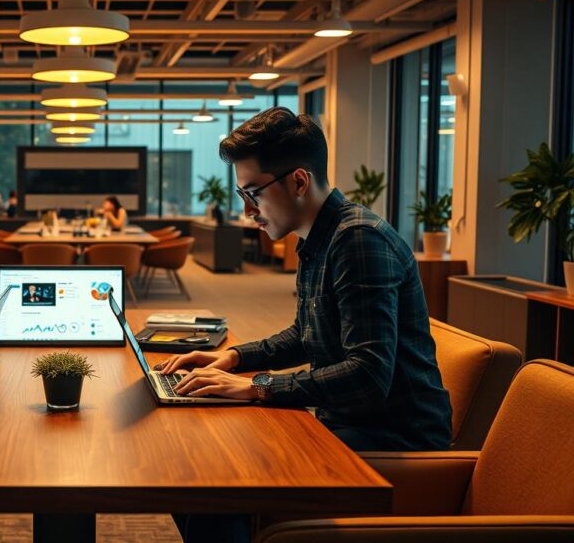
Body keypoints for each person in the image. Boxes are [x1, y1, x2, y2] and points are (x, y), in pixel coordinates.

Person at [158, 107, 453, 542]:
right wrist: (234, 357)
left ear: (298, 181)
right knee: (195, 468)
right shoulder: (319, 238)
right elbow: (305, 334)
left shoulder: (358, 239)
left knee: (216, 481)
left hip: (391, 441)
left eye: (253, 193)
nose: (247, 211)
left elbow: (369, 375)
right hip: (345, 421)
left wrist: (258, 387)